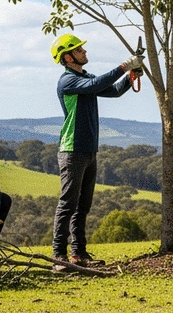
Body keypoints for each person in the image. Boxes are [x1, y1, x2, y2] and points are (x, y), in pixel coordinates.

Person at [50, 32, 144, 271]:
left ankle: (78, 253)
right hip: (72, 150)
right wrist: (124, 65)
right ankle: (58, 256)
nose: (84, 52)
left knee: (84, 206)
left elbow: (111, 90)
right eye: (80, 50)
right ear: (68, 57)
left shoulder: (84, 78)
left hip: (88, 149)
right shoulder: (68, 81)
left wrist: (130, 76)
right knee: (67, 204)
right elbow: (95, 84)